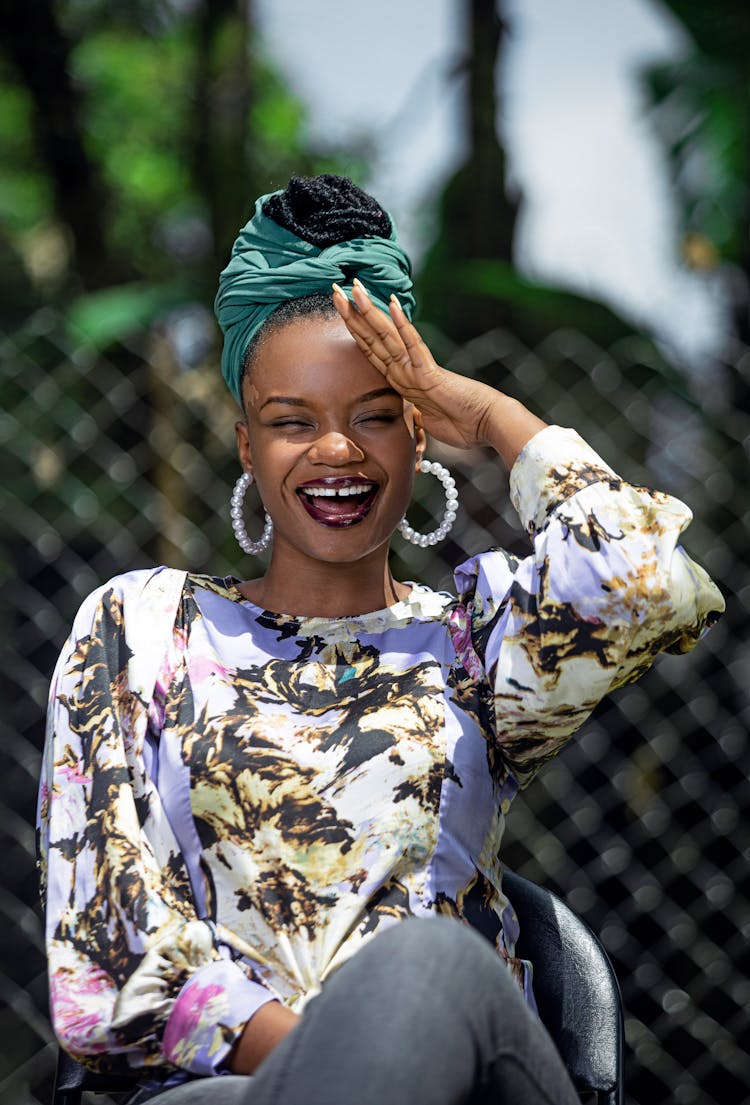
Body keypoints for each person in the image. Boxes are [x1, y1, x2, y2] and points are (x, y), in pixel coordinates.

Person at [38, 175, 724, 1105]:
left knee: (427, 966)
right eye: (292, 423)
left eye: (374, 414)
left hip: (471, 1078)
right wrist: (344, 1066)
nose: (336, 451)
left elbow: (641, 580)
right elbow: (111, 965)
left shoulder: (479, 648)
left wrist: (484, 415)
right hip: (221, 1097)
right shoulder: (140, 626)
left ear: (417, 435)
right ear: (247, 445)